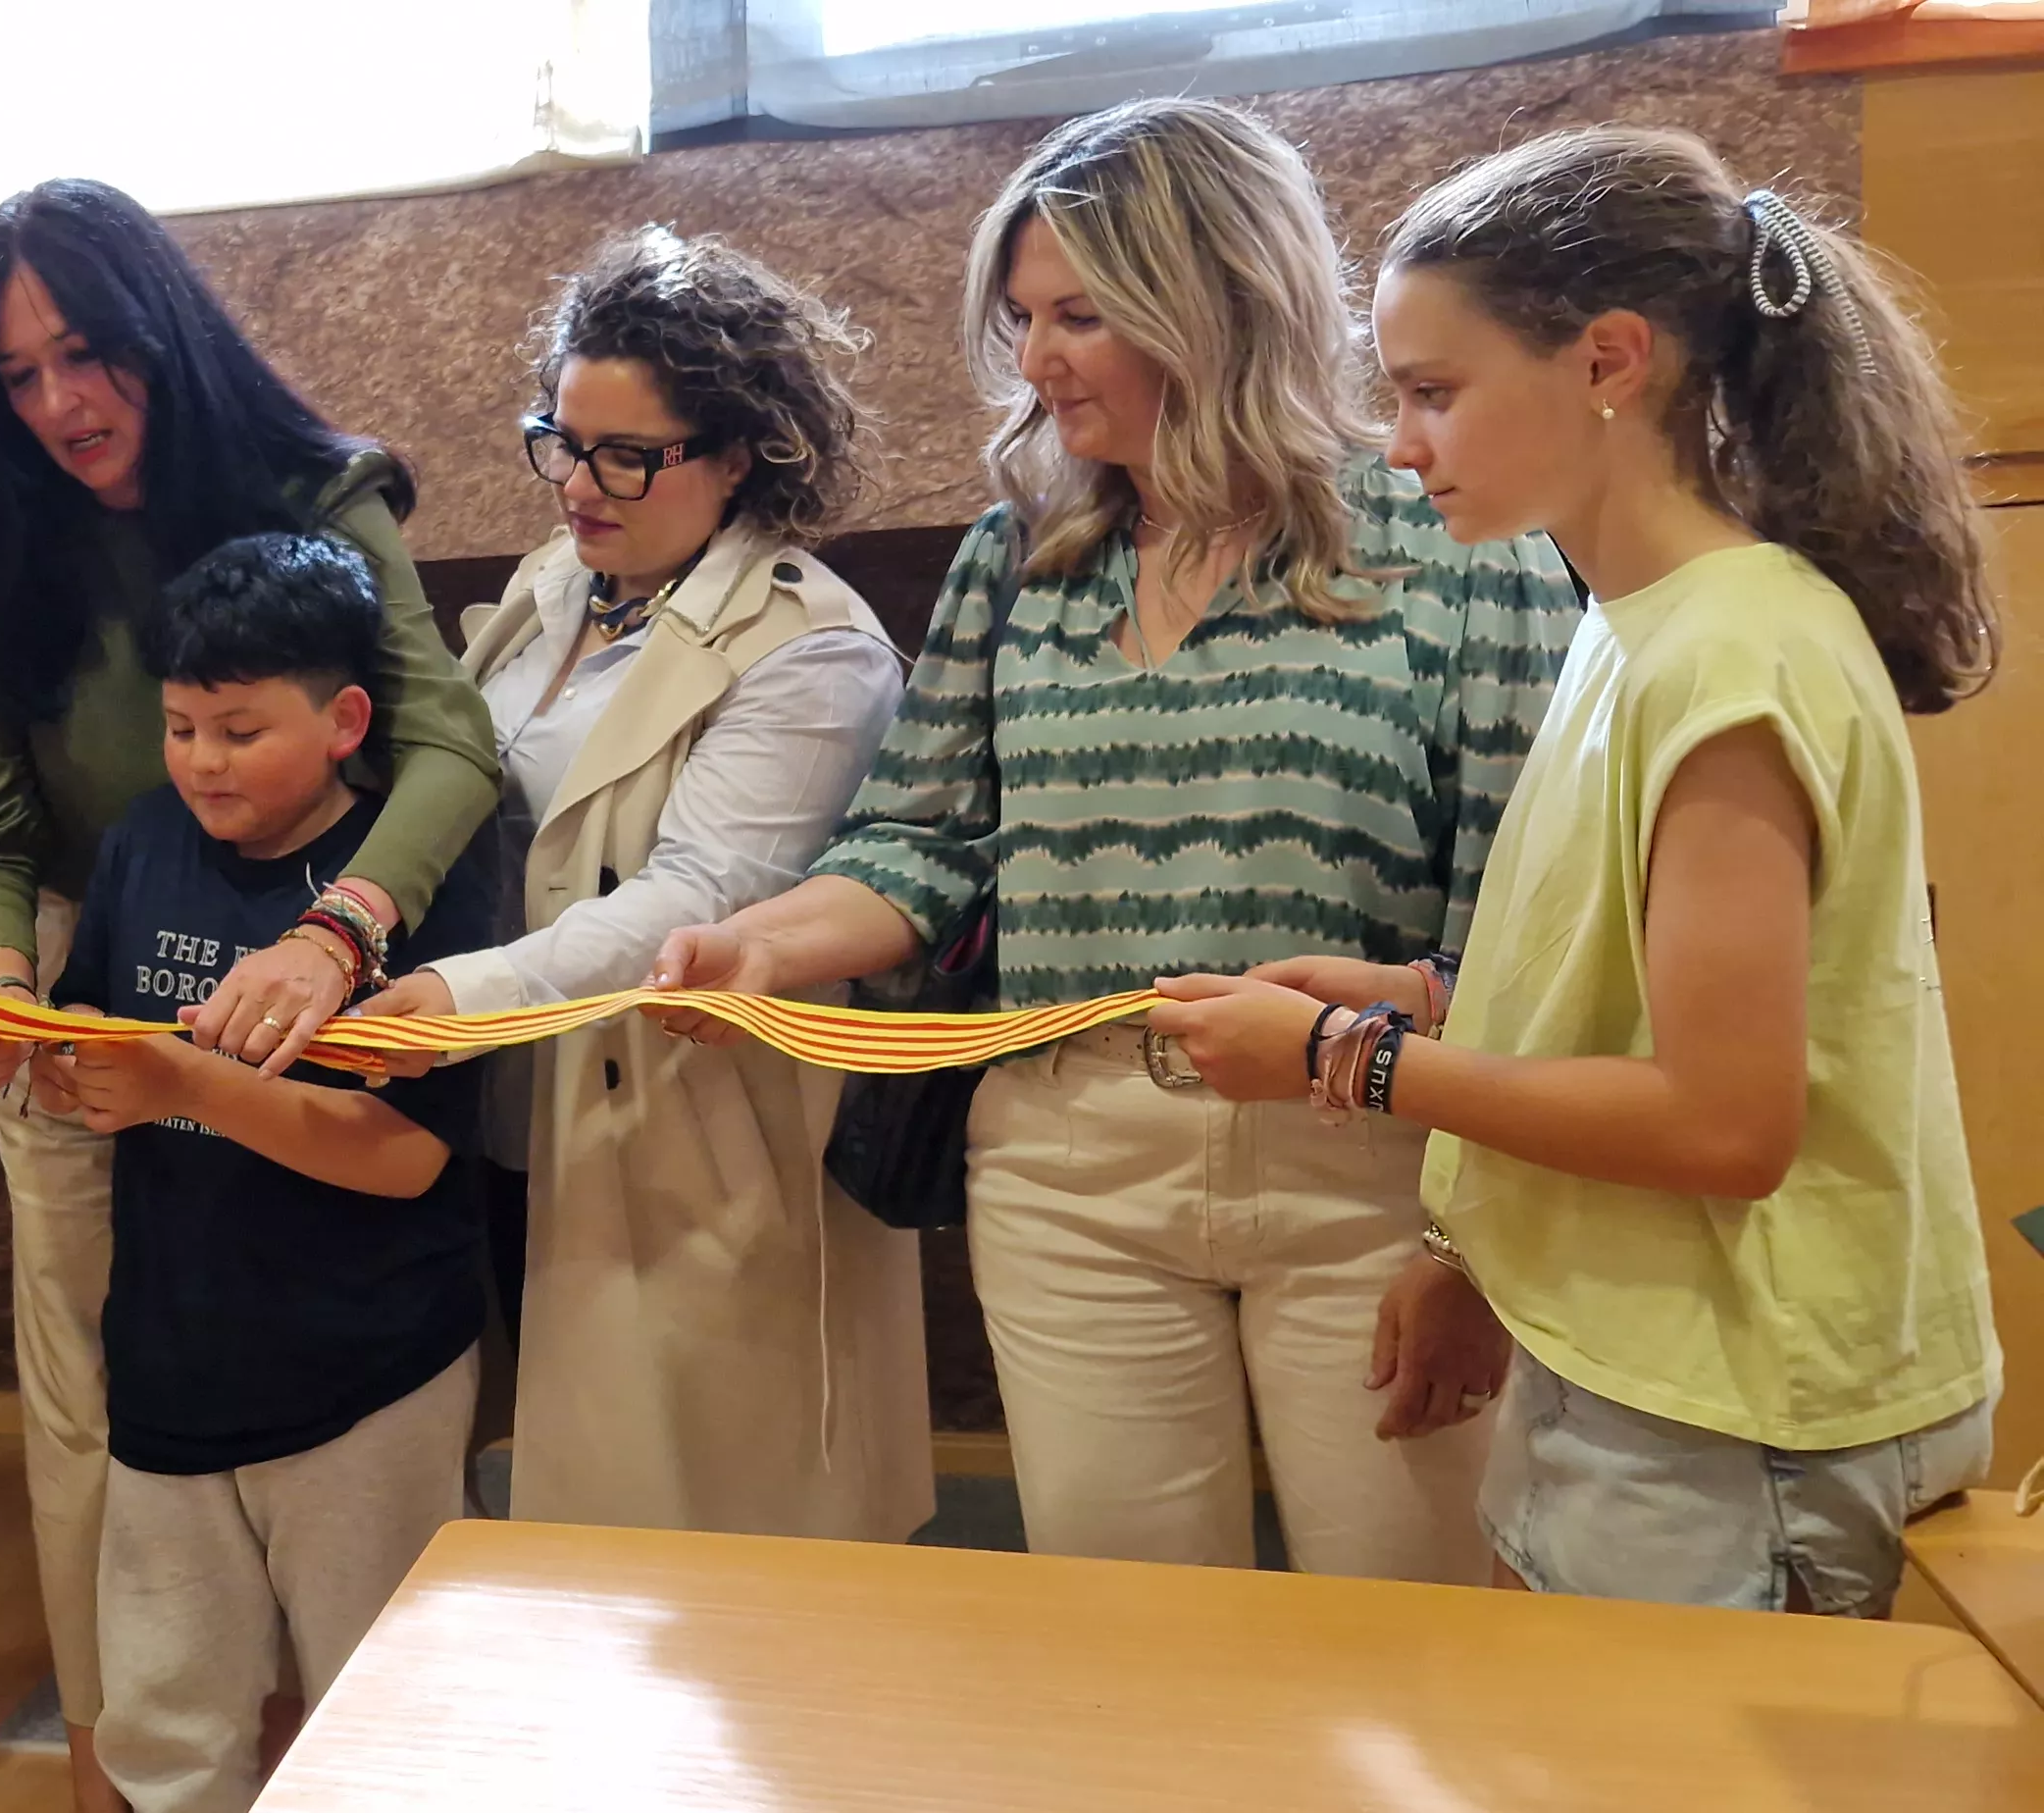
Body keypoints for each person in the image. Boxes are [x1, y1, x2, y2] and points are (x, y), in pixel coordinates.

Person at [649, 99, 1586, 1581]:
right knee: (1128, 1648)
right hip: (1069, 1166)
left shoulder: (1462, 545)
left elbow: (1529, 954)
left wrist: (1470, 1248)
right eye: (1021, 318)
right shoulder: (1016, 554)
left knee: (1418, 1657)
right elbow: (920, 845)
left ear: (1216, 298)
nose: (1034, 360)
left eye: (1081, 314)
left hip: (1374, 1162)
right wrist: (753, 949)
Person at [1150, 128, 2003, 1616]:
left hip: (1740, 1410)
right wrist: (1435, 1046)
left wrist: (1346, 1061)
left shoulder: (1739, 650)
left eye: (1435, 393)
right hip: (1638, 1365)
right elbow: (1633, 979)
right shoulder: (1632, 621)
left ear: (1609, 360)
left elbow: (1726, 1119)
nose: (1403, 448)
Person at [0, 179, 499, 1801]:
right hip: (106, 988)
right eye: (19, 378)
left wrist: (344, 929)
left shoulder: (313, 486)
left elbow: (449, 735)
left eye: (89, 355)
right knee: (100, 1414)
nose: (62, 403)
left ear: (163, 331)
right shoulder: (4, 534)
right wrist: (5, 982)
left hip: (324, 981)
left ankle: (349, 1751)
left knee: (330, 1422)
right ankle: (132, 1763)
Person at [353, 227, 927, 1539]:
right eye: (559, 437)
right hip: (508, 1104)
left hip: (682, 1132)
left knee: (714, 1526)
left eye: (626, 454)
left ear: (739, 453)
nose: (577, 484)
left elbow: (696, 895)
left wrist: (463, 988)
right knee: (558, 1522)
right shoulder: (556, 585)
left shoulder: (813, 648)